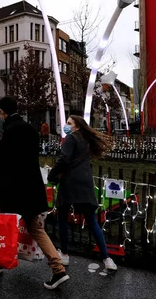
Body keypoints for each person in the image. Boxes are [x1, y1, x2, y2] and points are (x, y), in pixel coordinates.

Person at [0, 96, 69, 290]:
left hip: (14, 190)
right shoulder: (30, 129)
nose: (1, 116)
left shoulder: (9, 131)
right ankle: (58, 268)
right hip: (32, 188)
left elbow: (5, 166)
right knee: (36, 228)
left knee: (4, 226)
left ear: (4, 112)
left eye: (1, 113)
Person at [48, 115, 118, 272]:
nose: (66, 126)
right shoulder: (86, 140)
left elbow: (64, 159)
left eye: (69, 123)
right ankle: (107, 258)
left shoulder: (71, 138)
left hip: (69, 183)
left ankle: (64, 254)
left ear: (77, 126)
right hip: (85, 183)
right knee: (92, 221)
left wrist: (53, 175)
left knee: (62, 218)